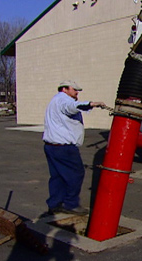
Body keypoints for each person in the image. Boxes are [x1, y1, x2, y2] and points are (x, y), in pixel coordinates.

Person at [42, 80, 105, 215]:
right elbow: (71, 107)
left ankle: (55, 204)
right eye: (74, 89)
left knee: (57, 176)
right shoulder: (63, 100)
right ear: (64, 89)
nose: (77, 92)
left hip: (51, 146)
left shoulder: (55, 101)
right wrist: (91, 104)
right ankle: (70, 204)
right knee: (76, 173)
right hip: (64, 148)